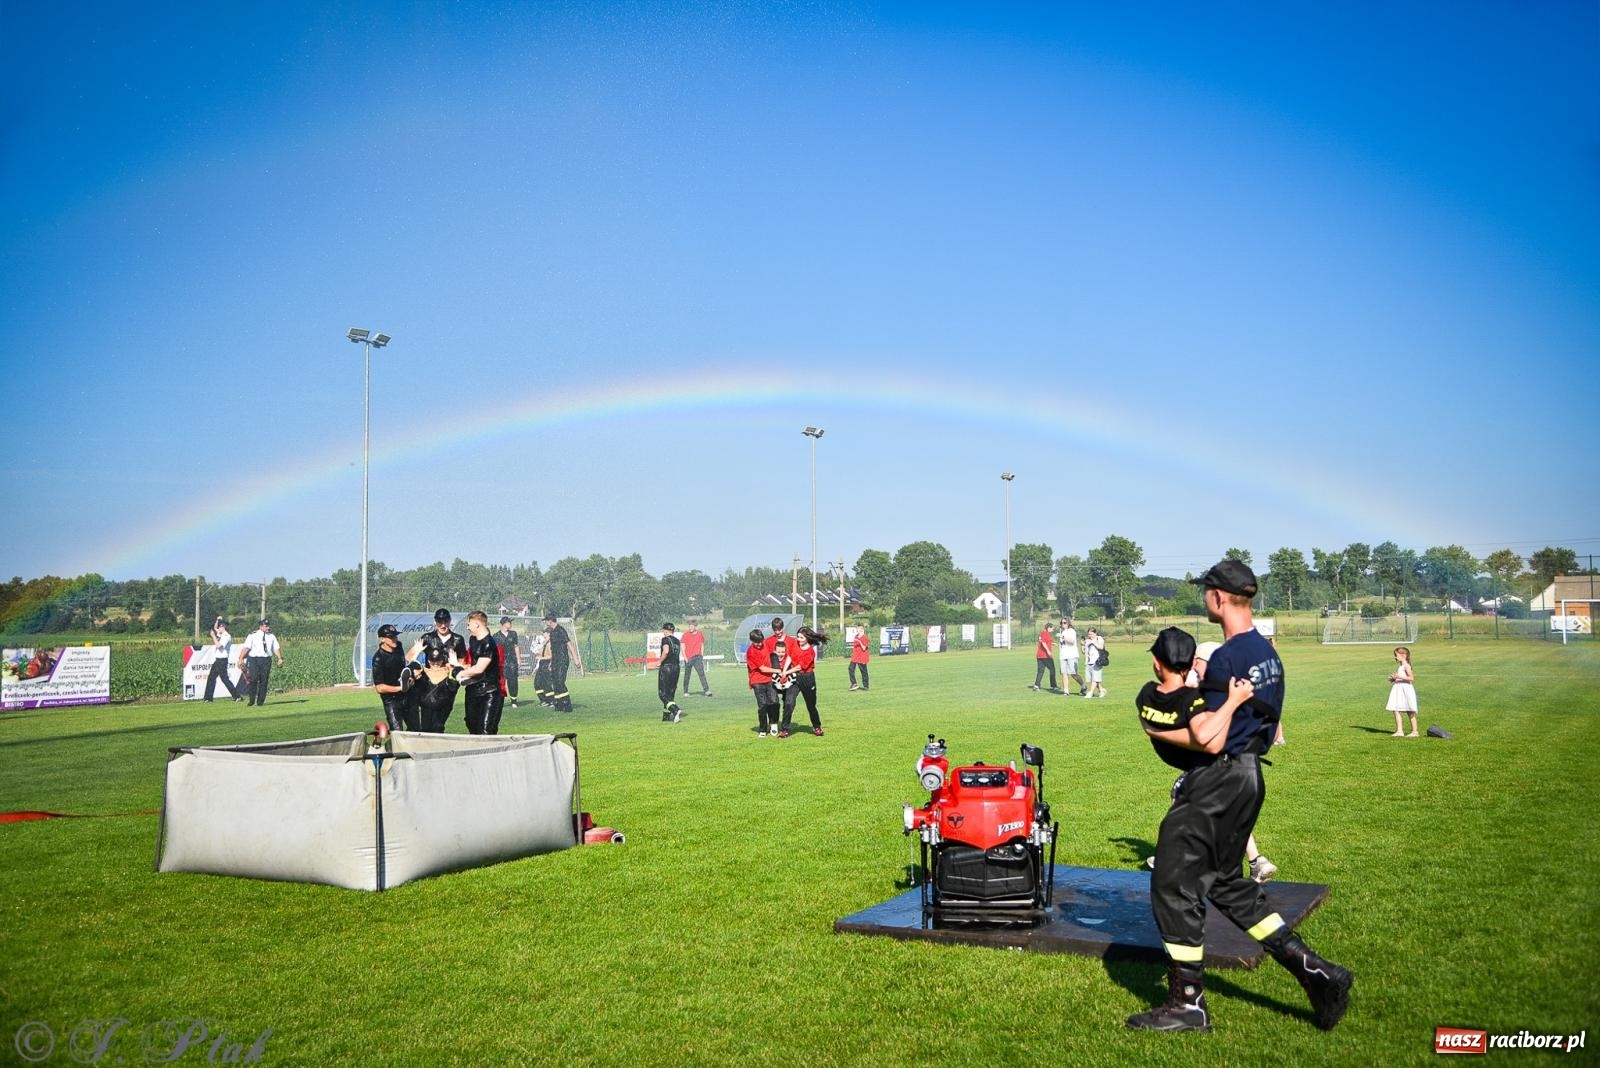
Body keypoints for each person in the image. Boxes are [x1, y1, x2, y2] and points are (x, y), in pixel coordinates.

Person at [1126, 561, 1352, 1034]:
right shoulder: (1266, 654)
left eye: (1205, 592)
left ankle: (1188, 1004)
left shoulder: (1227, 659)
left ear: (1218, 597)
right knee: (1226, 884)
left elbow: (1207, 737)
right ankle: (1318, 974)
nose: (1204, 599)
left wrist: (1158, 729)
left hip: (1218, 780)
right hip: (1249, 777)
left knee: (1172, 882)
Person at [1191, 641, 1276, 884]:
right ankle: (1256, 861)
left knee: (1187, 798)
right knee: (1230, 813)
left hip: (1229, 762)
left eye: (1197, 662)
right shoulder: (1231, 684)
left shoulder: (1221, 689)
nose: (1194, 667)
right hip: (1240, 762)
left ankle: (1182, 858)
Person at [457, 611, 507, 735]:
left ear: (477, 624)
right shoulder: (473, 640)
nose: (467, 627)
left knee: (485, 730)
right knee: (471, 725)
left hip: (488, 692)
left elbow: (479, 669)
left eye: (469, 624)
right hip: (473, 690)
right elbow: (472, 664)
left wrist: (460, 672)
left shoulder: (489, 644)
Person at [778, 625, 828, 738]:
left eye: (801, 637)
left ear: (807, 638)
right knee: (789, 703)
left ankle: (817, 727)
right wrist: (784, 671)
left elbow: (800, 667)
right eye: (798, 637)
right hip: (794, 678)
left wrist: (787, 672)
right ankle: (785, 729)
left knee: (811, 706)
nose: (798, 639)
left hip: (807, 678)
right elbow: (789, 657)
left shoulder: (810, 652)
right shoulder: (795, 644)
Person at [371, 623, 414, 732]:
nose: (394, 639)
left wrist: (410, 678)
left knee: (416, 729)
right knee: (397, 732)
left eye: (395, 636)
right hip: (391, 700)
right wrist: (400, 688)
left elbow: (402, 668)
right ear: (382, 639)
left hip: (407, 696)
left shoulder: (399, 646)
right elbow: (379, 688)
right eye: (391, 637)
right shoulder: (378, 659)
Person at [412, 646, 461, 733]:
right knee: (425, 729)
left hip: (443, 708)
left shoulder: (449, 671)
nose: (435, 663)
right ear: (428, 660)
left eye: (438, 660)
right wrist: (416, 653)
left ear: (442, 660)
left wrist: (455, 664)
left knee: (437, 728)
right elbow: (411, 667)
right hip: (425, 707)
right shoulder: (422, 672)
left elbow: (460, 677)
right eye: (432, 660)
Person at [539, 613, 582, 712]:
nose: (545, 622)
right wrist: (551, 662)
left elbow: (569, 644)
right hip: (555, 660)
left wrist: (575, 658)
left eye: (546, 620)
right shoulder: (552, 632)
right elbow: (554, 649)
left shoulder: (560, 630)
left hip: (562, 659)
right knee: (555, 682)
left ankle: (567, 705)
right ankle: (558, 705)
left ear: (550, 621)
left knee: (560, 682)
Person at [236, 619, 284, 707]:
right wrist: (241, 658)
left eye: (268, 625)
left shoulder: (271, 636)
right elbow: (246, 648)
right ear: (261, 626)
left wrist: (280, 658)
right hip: (254, 659)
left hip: (266, 660)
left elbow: (276, 648)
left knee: (264, 681)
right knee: (253, 679)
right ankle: (251, 700)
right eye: (266, 626)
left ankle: (260, 701)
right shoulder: (252, 635)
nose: (268, 627)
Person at [747, 627, 783, 736]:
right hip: (757, 681)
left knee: (775, 702)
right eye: (756, 642)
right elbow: (762, 668)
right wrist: (777, 670)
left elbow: (778, 643)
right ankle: (762, 729)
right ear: (751, 641)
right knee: (763, 705)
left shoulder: (766, 644)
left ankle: (774, 723)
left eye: (760, 641)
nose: (759, 644)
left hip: (769, 680)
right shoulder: (751, 652)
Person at [203, 617, 243, 702]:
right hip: (218, 660)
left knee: (225, 679)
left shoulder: (226, 636)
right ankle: (208, 698)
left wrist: (213, 636)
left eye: (220, 627)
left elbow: (219, 646)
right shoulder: (221, 634)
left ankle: (237, 696)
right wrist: (217, 620)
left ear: (223, 627)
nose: (218, 628)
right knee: (211, 678)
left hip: (222, 660)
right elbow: (215, 628)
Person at [1387, 646, 1419, 738]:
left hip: (1406, 690)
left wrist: (1399, 677)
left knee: (1410, 711)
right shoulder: (1401, 666)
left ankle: (1415, 732)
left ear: (1403, 655)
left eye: (1396, 655)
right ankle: (1399, 731)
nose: (1395, 657)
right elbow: (1401, 678)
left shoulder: (1406, 666)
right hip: (1398, 690)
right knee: (1396, 709)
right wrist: (1393, 679)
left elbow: (1411, 678)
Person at [656, 622, 684, 722]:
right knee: (670, 693)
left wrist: (659, 661)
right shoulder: (677, 640)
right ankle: (666, 717)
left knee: (662, 694)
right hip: (676, 668)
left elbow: (666, 651)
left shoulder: (665, 639)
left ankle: (675, 710)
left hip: (667, 667)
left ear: (665, 630)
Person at [495, 617, 521, 709]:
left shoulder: (513, 634)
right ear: (503, 624)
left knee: (513, 681)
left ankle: (514, 700)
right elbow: (495, 651)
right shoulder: (496, 636)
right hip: (501, 662)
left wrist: (518, 659)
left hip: (512, 661)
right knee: (501, 682)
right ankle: (500, 701)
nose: (511, 624)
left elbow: (516, 646)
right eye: (509, 622)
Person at [680, 620, 712, 697]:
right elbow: (682, 647)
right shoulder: (685, 634)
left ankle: (707, 690)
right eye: (689, 626)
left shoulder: (700, 634)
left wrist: (701, 655)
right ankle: (686, 691)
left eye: (692, 626)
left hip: (697, 657)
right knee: (687, 675)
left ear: (695, 627)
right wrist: (685, 658)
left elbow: (702, 645)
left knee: (701, 674)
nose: (690, 628)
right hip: (688, 658)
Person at [1060, 617, 1085, 696]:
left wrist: (1063, 637)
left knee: (1074, 674)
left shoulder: (1071, 631)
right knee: (1064, 673)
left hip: (1072, 655)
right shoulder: (1062, 632)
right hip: (1063, 655)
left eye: (1064, 623)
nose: (1063, 624)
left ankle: (1083, 686)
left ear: (1068, 623)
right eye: (1061, 623)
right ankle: (1066, 691)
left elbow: (1072, 642)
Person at [1032, 623, 1058, 692]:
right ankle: (1054, 686)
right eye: (1052, 628)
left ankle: (1036, 685)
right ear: (1048, 628)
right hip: (1045, 655)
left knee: (1040, 671)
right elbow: (1043, 643)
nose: (1053, 630)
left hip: (1039, 656)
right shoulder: (1045, 633)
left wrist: (1053, 643)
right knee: (1052, 669)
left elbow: (1045, 641)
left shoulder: (1042, 633)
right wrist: (1048, 651)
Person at [1083, 627, 1107, 698]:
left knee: (1095, 678)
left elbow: (1101, 647)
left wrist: (1093, 642)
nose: (1090, 636)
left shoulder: (1099, 638)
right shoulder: (1087, 640)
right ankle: (1101, 690)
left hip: (1097, 661)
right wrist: (1082, 646)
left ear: (1095, 633)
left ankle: (1090, 693)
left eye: (1091, 634)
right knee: (1093, 679)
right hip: (1088, 661)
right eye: (1089, 634)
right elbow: (1085, 652)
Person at [848, 627, 871, 691]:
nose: (857, 631)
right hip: (855, 656)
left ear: (862, 630)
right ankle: (854, 684)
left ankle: (866, 686)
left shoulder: (864, 638)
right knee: (850, 668)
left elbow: (864, 648)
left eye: (858, 630)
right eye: (857, 630)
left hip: (862, 657)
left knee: (863, 672)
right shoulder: (856, 636)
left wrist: (860, 641)